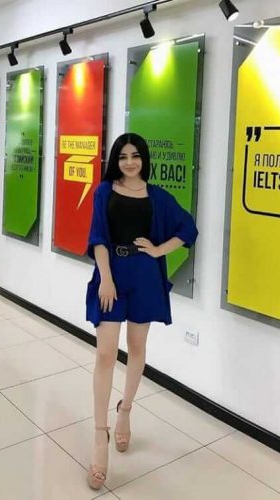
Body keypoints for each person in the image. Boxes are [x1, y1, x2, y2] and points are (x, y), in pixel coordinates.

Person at [85, 132, 198, 490]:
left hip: (145, 276)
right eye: (123, 156)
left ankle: (126, 411)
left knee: (136, 348)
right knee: (105, 354)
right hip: (112, 275)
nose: (130, 162)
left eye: (135, 156)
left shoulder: (157, 196)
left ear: (144, 159)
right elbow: (98, 237)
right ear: (115, 161)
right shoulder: (105, 192)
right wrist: (105, 278)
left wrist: (159, 250)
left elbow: (188, 228)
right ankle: (100, 437)